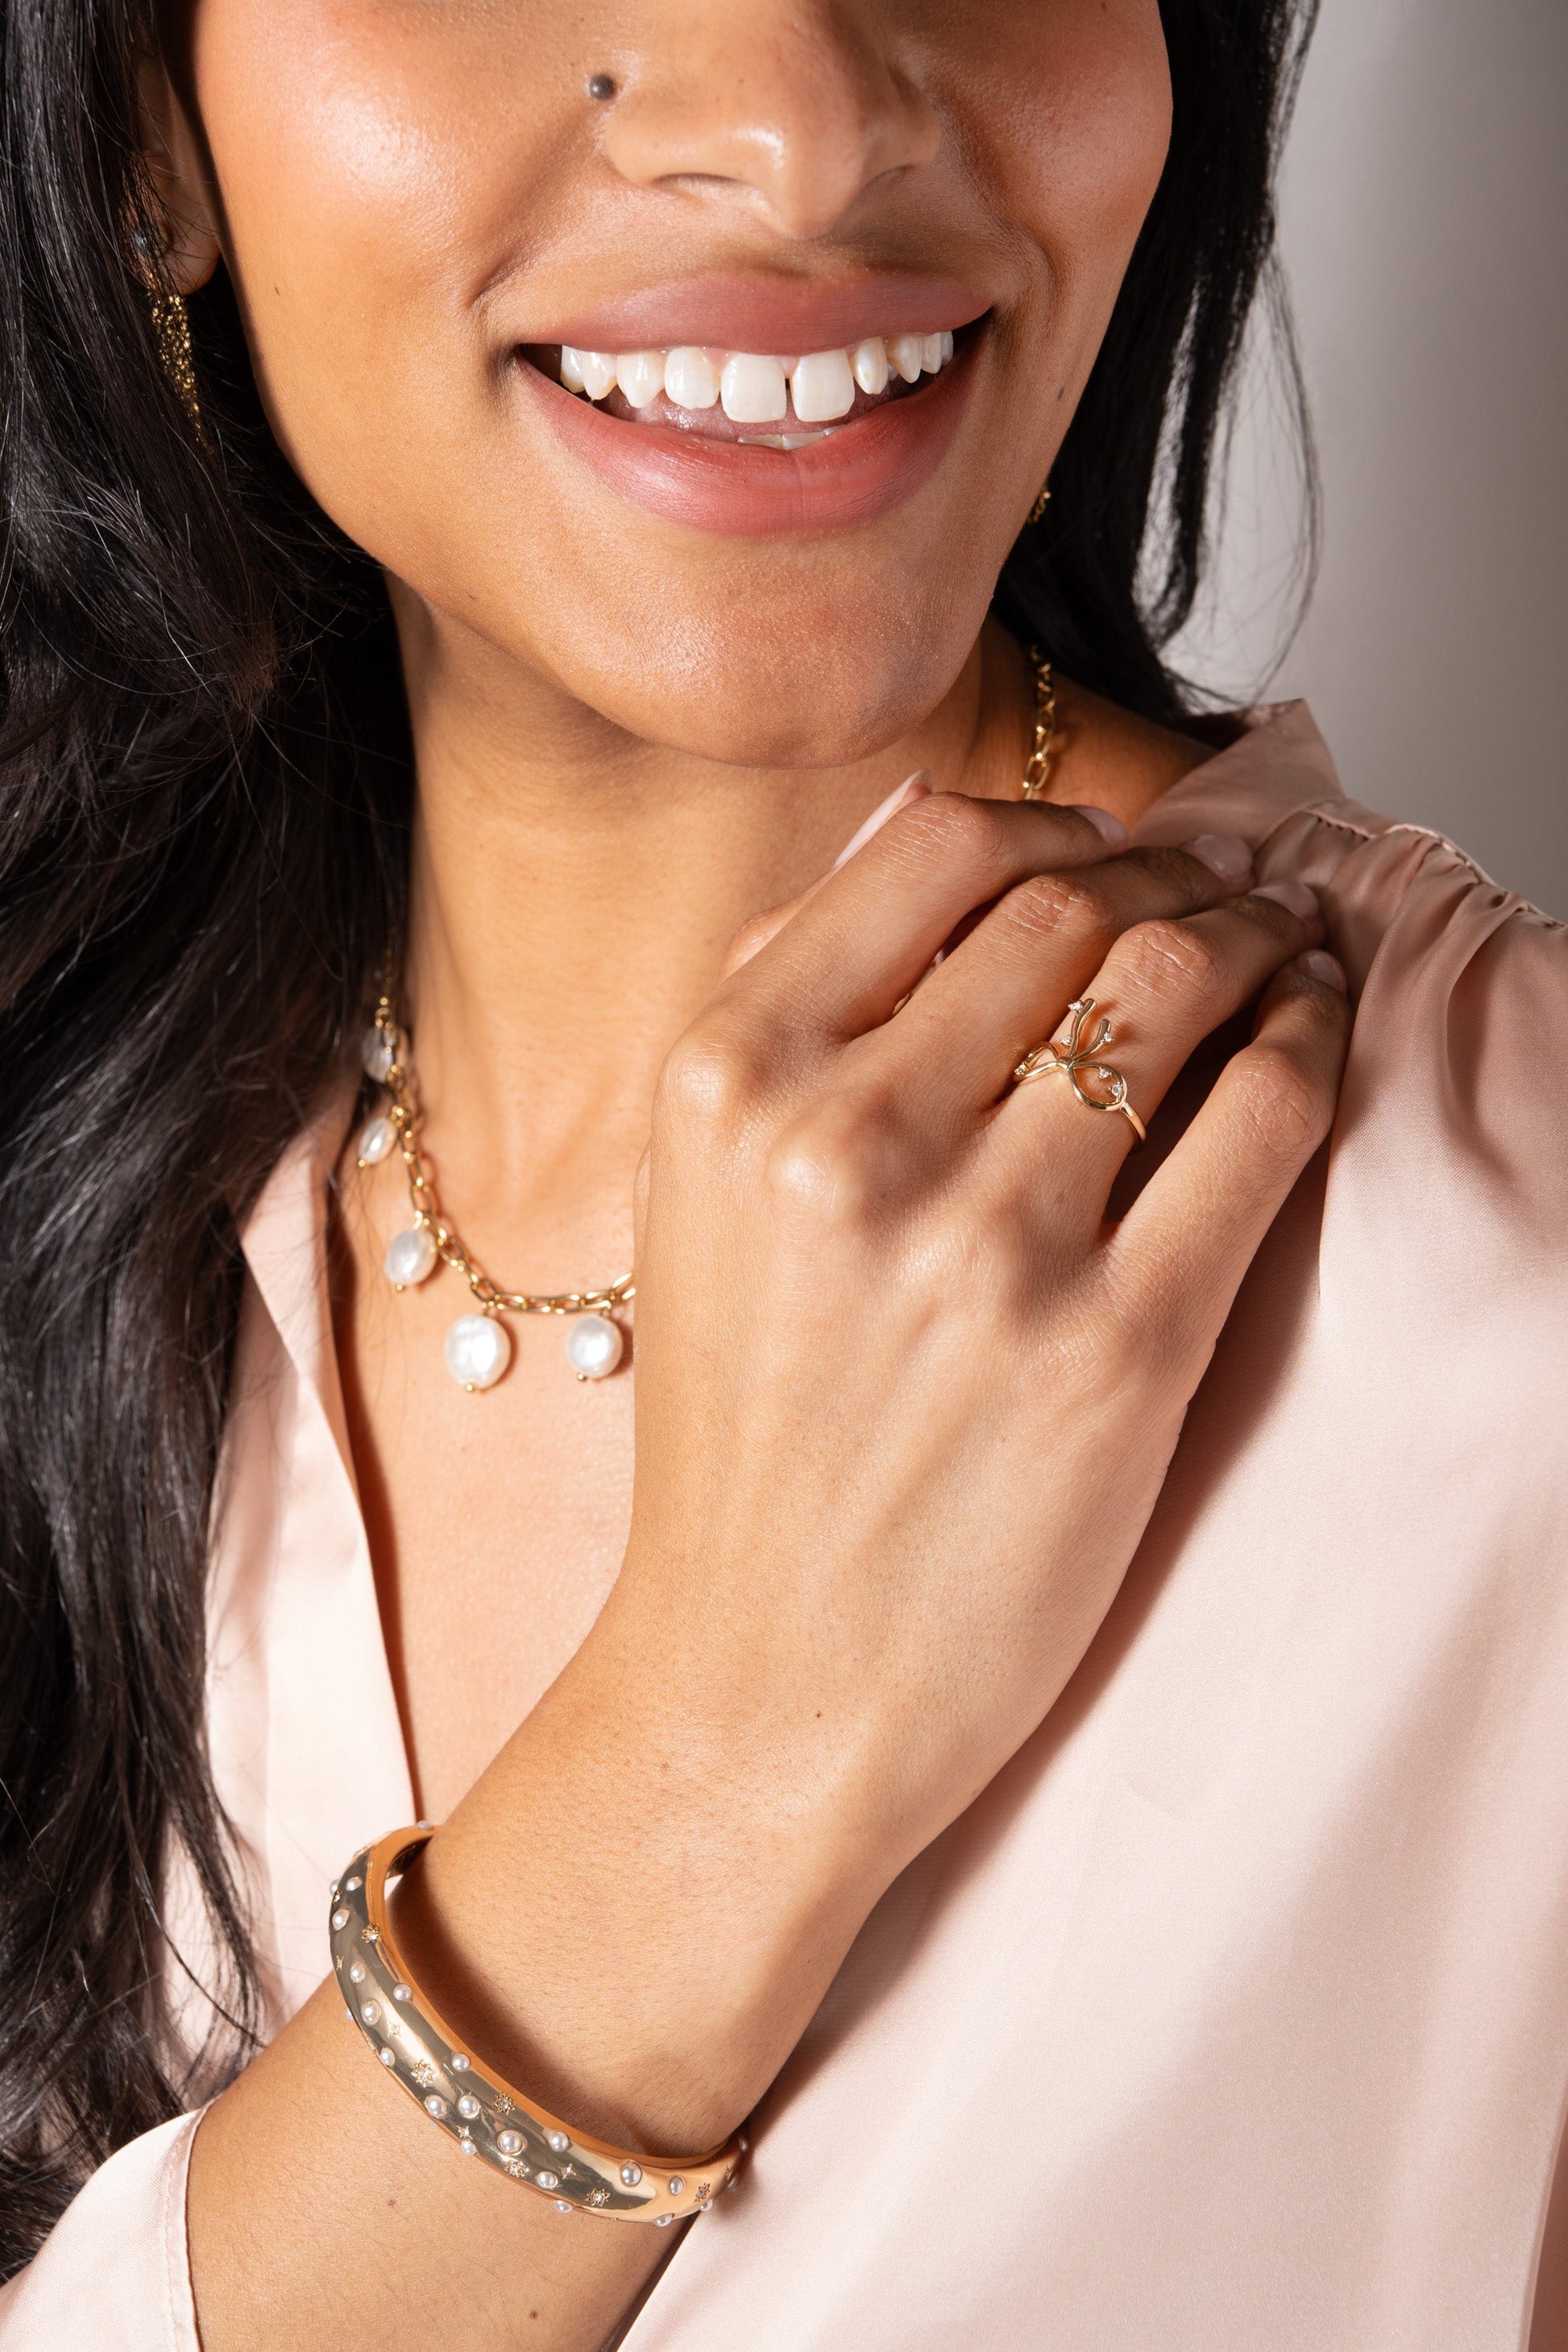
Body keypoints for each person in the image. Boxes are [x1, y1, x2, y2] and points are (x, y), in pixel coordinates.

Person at [2, 2, 1566, 2346]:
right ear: (146, 114)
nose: (797, 129)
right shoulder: (83, 1119)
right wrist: (720, 1745)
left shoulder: (1510, 1320)